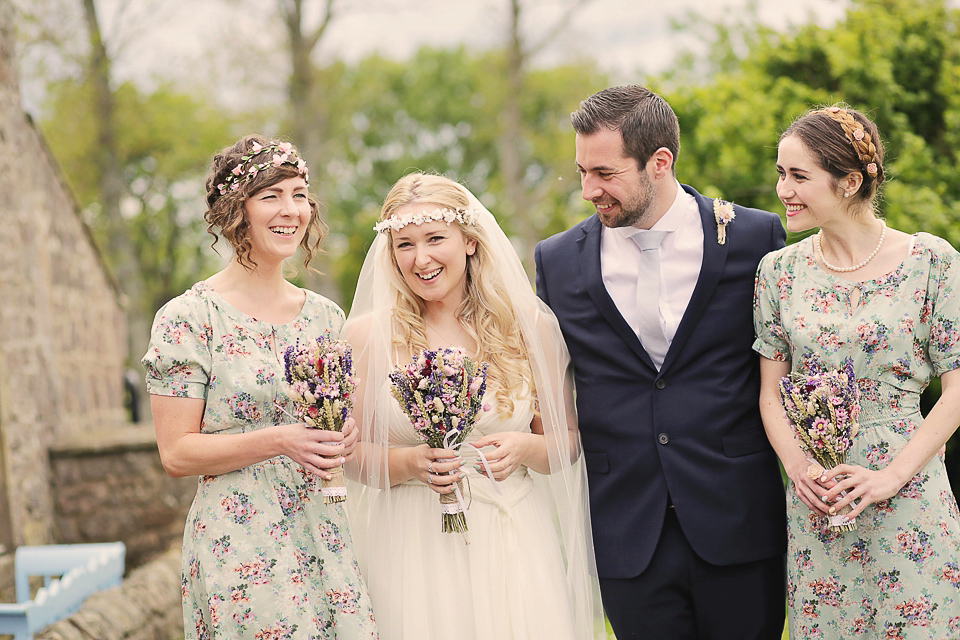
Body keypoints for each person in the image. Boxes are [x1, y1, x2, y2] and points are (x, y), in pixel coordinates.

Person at [535, 84, 788, 638]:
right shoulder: (556, 262)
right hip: (626, 532)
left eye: (604, 173)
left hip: (738, 521)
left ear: (659, 162)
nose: (587, 190)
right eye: (581, 171)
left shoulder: (755, 237)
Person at [343, 172, 604, 639]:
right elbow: (349, 455)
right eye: (404, 244)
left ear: (469, 241)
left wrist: (524, 449)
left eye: (434, 239)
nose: (420, 259)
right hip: (411, 542)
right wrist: (409, 462)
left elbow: (566, 443)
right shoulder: (367, 337)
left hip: (513, 534)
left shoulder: (529, 328)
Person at [142, 134, 378, 639]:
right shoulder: (188, 319)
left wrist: (344, 436)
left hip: (327, 529)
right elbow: (176, 454)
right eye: (271, 195)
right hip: (241, 540)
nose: (290, 209)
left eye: (299, 193)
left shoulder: (325, 317)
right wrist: (280, 440)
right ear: (236, 210)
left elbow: (333, 424)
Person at [754, 105, 960, 637]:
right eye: (781, 173)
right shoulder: (778, 272)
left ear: (850, 181)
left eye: (799, 176)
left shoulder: (932, 263)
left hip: (910, 492)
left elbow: (957, 389)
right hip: (820, 502)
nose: (784, 190)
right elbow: (771, 394)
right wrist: (801, 470)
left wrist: (891, 476)